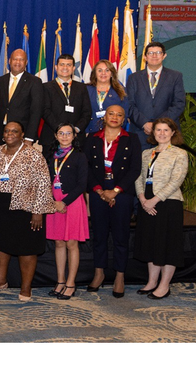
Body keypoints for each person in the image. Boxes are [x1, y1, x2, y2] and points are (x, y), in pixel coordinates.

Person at [0, 121, 55, 301]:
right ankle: (0, 281)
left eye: (14, 131)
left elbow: (44, 184)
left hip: (25, 207)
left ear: (22, 134)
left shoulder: (34, 155)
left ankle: (25, 287)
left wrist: (38, 211)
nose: (10, 134)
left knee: (27, 247)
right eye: (6, 131)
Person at [84, 104, 141, 297]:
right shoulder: (92, 138)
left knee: (120, 237)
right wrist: (100, 190)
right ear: (104, 117)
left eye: (119, 114)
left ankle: (119, 276)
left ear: (124, 119)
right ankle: (98, 273)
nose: (115, 117)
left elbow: (135, 169)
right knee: (99, 236)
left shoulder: (132, 139)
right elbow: (87, 167)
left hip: (122, 194)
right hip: (98, 193)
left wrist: (115, 191)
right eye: (111, 113)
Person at [134, 118, 188, 299]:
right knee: (151, 242)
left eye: (166, 130)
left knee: (168, 245)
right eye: (158, 130)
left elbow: (176, 180)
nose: (162, 133)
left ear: (173, 132)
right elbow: (138, 178)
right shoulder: (146, 153)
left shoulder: (179, 154)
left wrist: (154, 200)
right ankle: (151, 281)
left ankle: (164, 286)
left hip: (168, 204)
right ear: (153, 132)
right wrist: (142, 198)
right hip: (146, 203)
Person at [45, 124, 88, 300]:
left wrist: (64, 202)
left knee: (71, 244)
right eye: (61, 133)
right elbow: (45, 179)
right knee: (59, 243)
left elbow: (82, 184)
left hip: (72, 203)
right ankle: (60, 281)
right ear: (55, 135)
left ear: (74, 136)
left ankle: (71, 283)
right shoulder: (50, 156)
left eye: (68, 133)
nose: (64, 136)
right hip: (53, 204)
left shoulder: (79, 156)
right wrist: (52, 201)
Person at [127, 41, 185, 148]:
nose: (154, 56)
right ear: (145, 57)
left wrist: (159, 125)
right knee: (140, 164)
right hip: (140, 132)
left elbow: (179, 103)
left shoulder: (175, 76)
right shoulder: (133, 78)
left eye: (158, 52)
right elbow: (129, 104)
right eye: (150, 53)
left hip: (166, 133)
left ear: (164, 55)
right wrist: (144, 123)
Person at [40, 54, 92, 158]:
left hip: (76, 138)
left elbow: (87, 112)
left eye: (68, 65)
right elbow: (45, 111)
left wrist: (75, 130)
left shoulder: (82, 87)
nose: (65, 68)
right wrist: (60, 131)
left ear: (73, 68)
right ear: (56, 67)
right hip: (51, 137)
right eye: (62, 65)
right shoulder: (46, 87)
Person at [0, 49, 43, 146]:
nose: (18, 62)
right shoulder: (0, 81)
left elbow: (36, 111)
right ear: (9, 61)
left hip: (22, 134)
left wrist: (29, 137)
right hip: (1, 133)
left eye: (21, 60)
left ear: (26, 62)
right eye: (15, 59)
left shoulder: (34, 82)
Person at [85, 59, 128, 135]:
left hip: (112, 134)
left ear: (112, 73)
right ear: (95, 73)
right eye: (100, 70)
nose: (103, 73)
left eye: (107, 70)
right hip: (89, 133)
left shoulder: (121, 91)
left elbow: (124, 114)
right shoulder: (86, 90)